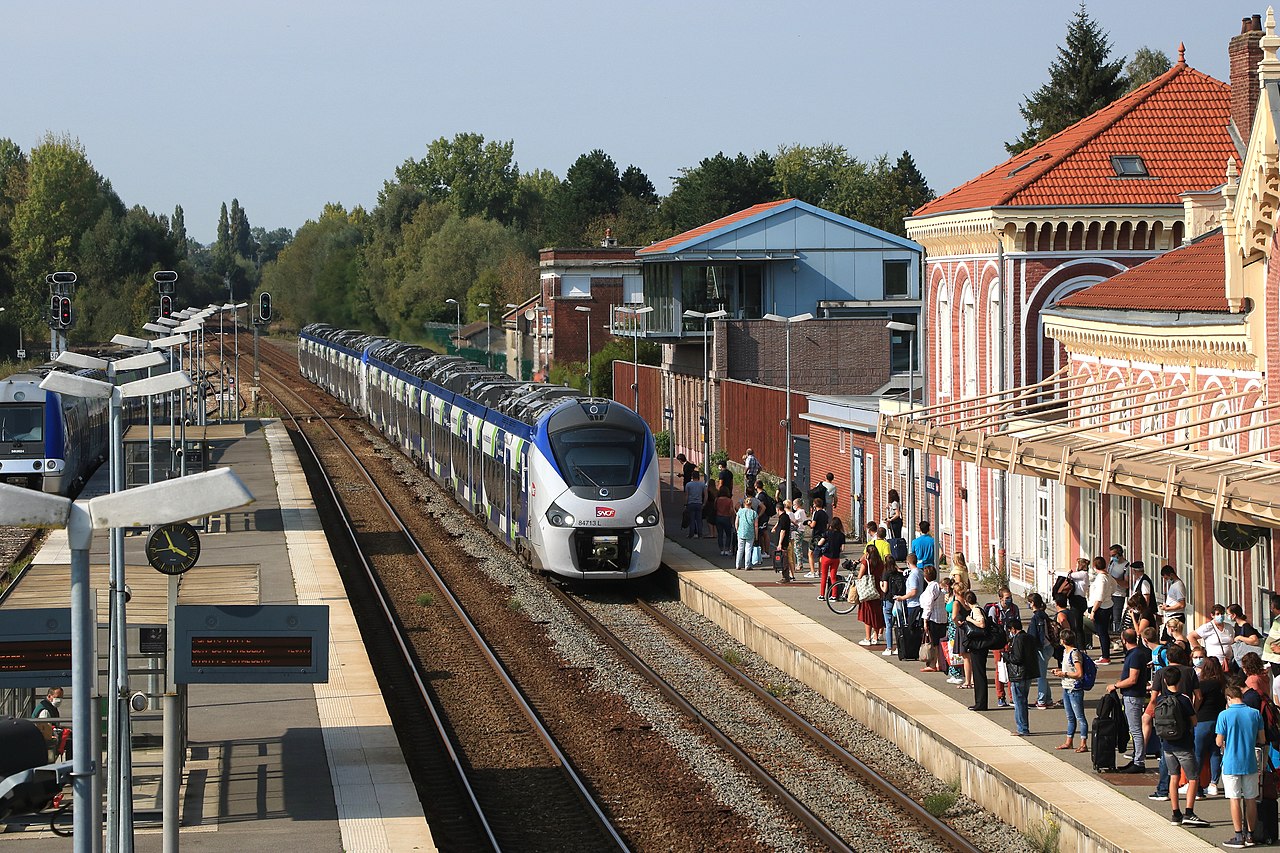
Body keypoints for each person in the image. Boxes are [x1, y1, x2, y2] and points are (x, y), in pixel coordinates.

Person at [1157, 665, 1209, 828]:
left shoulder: (1160, 700)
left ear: (1165, 681)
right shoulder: (1184, 699)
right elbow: (1194, 721)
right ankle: (1189, 812)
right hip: (1184, 744)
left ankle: (1175, 813)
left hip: (1167, 745)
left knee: (1173, 777)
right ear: (1179, 681)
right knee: (1193, 778)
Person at [1217, 683, 1265, 848]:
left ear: (1228, 698)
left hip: (1231, 762)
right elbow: (1262, 739)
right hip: (1250, 761)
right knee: (1251, 799)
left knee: (1234, 799)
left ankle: (1238, 836)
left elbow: (1218, 741)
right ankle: (1250, 835)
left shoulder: (1224, 715)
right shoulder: (1255, 713)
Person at [1107, 628, 1151, 773]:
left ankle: (1139, 762)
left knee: (1135, 730)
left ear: (1124, 640)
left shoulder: (1135, 655)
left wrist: (1115, 685)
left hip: (1133, 696)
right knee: (1134, 729)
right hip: (1133, 695)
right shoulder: (1136, 653)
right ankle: (1136, 759)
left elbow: (1133, 679)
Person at [1192, 655, 1226, 798]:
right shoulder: (1223, 683)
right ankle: (1213, 784)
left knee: (1198, 753)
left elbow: (1197, 699)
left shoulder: (1203, 684)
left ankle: (1197, 786)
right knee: (1215, 752)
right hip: (1218, 720)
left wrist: (1194, 711)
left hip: (1203, 720)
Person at [1053, 628, 1089, 752]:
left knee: (1080, 717)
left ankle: (1083, 743)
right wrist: (1060, 672)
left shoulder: (1074, 653)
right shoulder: (1065, 652)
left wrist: (1064, 674)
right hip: (1066, 687)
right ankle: (1069, 741)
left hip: (1074, 688)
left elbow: (1079, 673)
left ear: (1063, 640)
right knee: (1070, 717)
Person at [986, 586, 1020, 707]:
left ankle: (1013, 696)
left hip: (1011, 642)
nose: (1009, 600)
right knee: (1000, 669)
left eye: (1010, 597)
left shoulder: (1014, 609)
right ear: (1000, 598)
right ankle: (1000, 696)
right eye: (1007, 598)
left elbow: (1018, 624)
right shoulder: (994, 610)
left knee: (1012, 668)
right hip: (998, 643)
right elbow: (992, 627)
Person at [1026, 593, 1056, 709]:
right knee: (1042, 675)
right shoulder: (1044, 615)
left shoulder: (1035, 618)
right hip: (1049, 647)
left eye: (1029, 602)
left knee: (1040, 676)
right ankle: (1048, 699)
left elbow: (1033, 637)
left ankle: (1042, 700)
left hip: (1041, 649)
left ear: (1033, 603)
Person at [857, 543, 887, 646]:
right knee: (877, 614)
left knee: (868, 615)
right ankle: (876, 637)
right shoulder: (881, 563)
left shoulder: (866, 563)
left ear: (868, 553)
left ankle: (867, 638)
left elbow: (860, 576)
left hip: (868, 591)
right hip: (878, 590)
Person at [1088, 558, 1117, 663]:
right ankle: (1105, 654)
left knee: (1102, 632)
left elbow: (1099, 597)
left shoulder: (1101, 578)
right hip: (1107, 605)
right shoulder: (1108, 576)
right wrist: (1109, 594)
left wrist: (1093, 611)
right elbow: (1114, 586)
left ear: (1095, 566)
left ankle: (1105, 656)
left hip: (1100, 608)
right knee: (1103, 632)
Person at [919, 566, 947, 673]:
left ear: (925, 577)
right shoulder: (939, 587)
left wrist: (925, 620)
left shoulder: (930, 588)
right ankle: (941, 663)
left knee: (933, 643)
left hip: (933, 618)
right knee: (940, 643)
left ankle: (932, 664)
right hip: (942, 618)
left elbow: (928, 605)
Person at [966, 591, 990, 711]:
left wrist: (970, 620)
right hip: (981, 646)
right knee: (979, 674)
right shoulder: (978, 608)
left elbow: (982, 624)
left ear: (966, 602)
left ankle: (981, 703)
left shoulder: (975, 610)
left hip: (978, 646)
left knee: (979, 674)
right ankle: (980, 702)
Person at [948, 577, 973, 687]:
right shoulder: (967, 601)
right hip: (971, 628)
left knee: (965, 657)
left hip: (962, 630)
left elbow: (953, 617)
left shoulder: (956, 603)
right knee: (972, 656)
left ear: (955, 592)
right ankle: (973, 679)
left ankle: (967, 681)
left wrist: (958, 624)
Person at [1195, 604, 1235, 669]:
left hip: (1228, 663)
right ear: (1212, 615)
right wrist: (1200, 651)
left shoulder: (1229, 627)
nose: (1220, 616)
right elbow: (1191, 636)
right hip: (1213, 664)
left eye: (1222, 614)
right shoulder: (1207, 627)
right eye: (1218, 614)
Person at [816, 516, 845, 601]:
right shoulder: (841, 535)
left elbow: (819, 543)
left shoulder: (827, 533)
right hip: (836, 558)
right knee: (833, 577)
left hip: (826, 557)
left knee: (824, 576)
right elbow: (842, 548)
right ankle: (834, 595)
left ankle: (822, 595)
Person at [881, 555, 904, 657]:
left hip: (888, 600)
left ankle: (889, 647)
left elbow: (885, 589)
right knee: (899, 624)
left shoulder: (886, 573)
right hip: (898, 600)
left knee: (888, 625)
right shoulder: (898, 572)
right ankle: (899, 647)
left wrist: (880, 585)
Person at [1108, 543, 1130, 634]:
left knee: (1116, 618)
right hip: (1109, 593)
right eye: (1111, 556)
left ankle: (1116, 635)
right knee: (1108, 616)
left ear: (1120, 553)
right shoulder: (1112, 563)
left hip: (1119, 594)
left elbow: (1126, 584)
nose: (1112, 557)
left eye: (1114, 555)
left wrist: (1114, 579)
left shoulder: (1126, 566)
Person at [733, 497, 758, 571]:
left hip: (741, 532)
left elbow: (736, 522)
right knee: (748, 549)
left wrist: (737, 530)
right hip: (750, 533)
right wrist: (756, 535)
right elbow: (756, 525)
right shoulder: (754, 513)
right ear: (751, 504)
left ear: (744, 504)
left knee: (740, 549)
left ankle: (737, 565)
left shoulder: (740, 511)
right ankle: (747, 565)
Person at [772, 498, 794, 583]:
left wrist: (780, 543)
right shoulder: (784, 517)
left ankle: (785, 577)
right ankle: (785, 576)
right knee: (783, 559)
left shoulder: (783, 518)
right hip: (784, 541)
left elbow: (783, 531)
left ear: (778, 509)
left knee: (783, 559)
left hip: (783, 542)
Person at [807, 497, 829, 579]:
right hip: (823, 535)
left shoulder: (817, 513)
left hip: (816, 536)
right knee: (821, 554)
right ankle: (820, 571)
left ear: (815, 505)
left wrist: (809, 523)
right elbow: (827, 525)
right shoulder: (825, 513)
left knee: (810, 553)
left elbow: (813, 525)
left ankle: (812, 571)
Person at [684, 470, 707, 539]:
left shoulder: (688, 484)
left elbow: (686, 495)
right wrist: (704, 503)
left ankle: (691, 534)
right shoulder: (702, 484)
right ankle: (700, 534)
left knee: (692, 519)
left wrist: (685, 504)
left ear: (692, 476)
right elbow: (706, 495)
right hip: (699, 503)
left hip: (691, 503)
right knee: (699, 520)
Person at [790, 500, 810, 576]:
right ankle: (799, 563)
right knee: (798, 547)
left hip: (798, 531)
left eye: (794, 504)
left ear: (797, 505)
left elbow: (795, 521)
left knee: (797, 548)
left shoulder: (799, 512)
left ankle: (800, 564)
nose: (793, 506)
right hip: (801, 530)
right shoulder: (803, 511)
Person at [714, 488, 735, 556]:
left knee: (720, 534)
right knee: (728, 534)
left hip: (718, 517)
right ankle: (727, 549)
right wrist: (732, 519)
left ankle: (721, 549)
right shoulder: (729, 500)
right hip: (726, 517)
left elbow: (715, 508)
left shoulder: (717, 499)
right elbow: (731, 510)